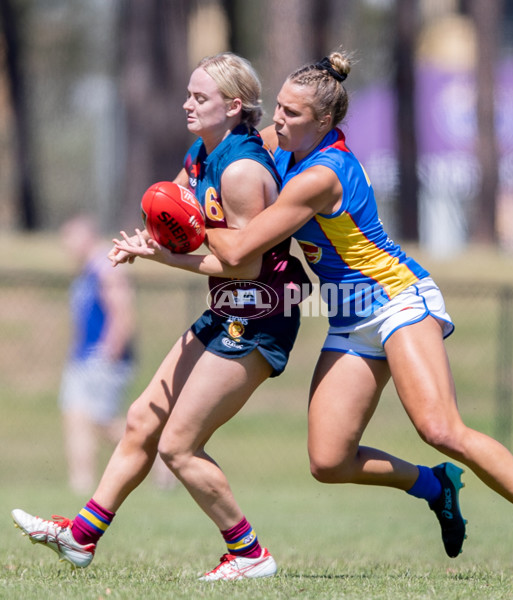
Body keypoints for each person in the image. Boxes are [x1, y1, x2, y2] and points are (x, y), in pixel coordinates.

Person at [203, 51, 513, 581]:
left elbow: (242, 247)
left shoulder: (321, 174)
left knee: (440, 427)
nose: (277, 120)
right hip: (348, 317)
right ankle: (436, 486)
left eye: (292, 115)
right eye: (277, 108)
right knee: (328, 460)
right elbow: (228, 154)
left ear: (325, 122)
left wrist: (183, 226)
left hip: (396, 301)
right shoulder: (285, 143)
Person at [12, 52, 310, 582]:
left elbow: (244, 266)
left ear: (234, 106)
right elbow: (174, 205)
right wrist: (147, 236)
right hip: (228, 309)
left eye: (201, 98)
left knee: (178, 445)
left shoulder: (241, 171)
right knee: (141, 419)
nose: (187, 104)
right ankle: (81, 537)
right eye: (189, 94)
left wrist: (164, 256)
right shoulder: (202, 153)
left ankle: (249, 554)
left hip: (262, 312)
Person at [59, 215, 136, 495]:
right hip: (82, 358)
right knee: (76, 417)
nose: (66, 245)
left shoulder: (107, 267)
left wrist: (110, 351)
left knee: (102, 420)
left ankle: (158, 454)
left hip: (102, 358)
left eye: (69, 238)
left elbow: (123, 314)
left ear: (86, 236)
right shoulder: (87, 271)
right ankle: (81, 482)